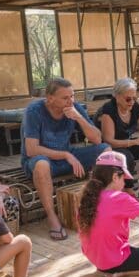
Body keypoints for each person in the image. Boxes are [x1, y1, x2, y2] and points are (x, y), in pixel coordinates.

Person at [21, 77, 109, 240]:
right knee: (41, 164)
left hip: (65, 158)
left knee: (105, 151)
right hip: (39, 161)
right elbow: (31, 149)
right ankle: (52, 217)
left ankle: (102, 204)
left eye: (72, 96)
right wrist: (66, 155)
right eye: (65, 98)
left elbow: (98, 139)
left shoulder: (74, 108)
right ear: (50, 98)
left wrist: (79, 118)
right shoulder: (34, 111)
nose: (71, 101)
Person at [96, 78, 139, 198]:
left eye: (134, 98)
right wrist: (135, 142)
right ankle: (128, 190)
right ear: (117, 97)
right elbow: (108, 141)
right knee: (126, 156)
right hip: (109, 149)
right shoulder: (108, 110)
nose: (132, 102)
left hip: (127, 144)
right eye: (128, 99)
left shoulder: (135, 107)